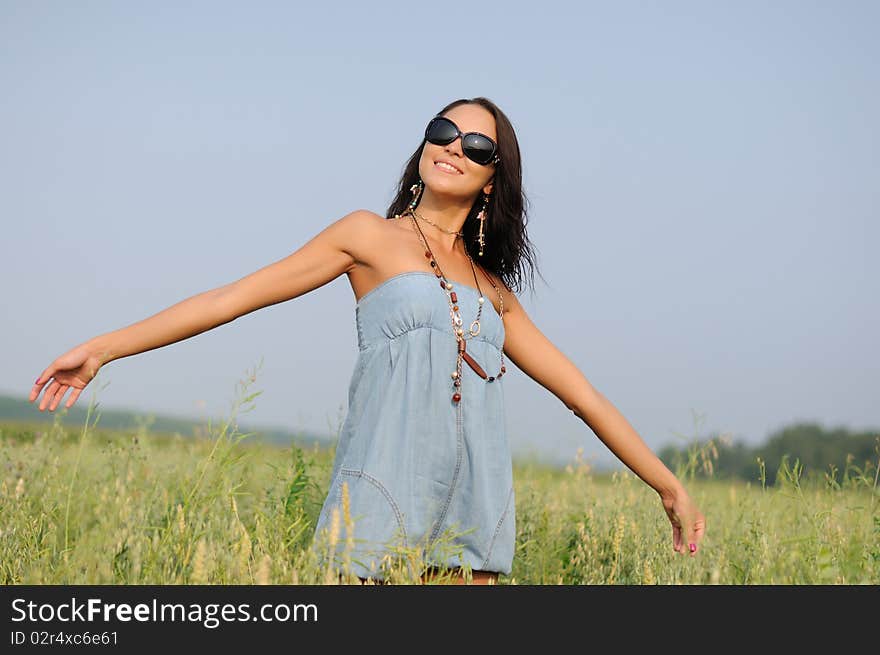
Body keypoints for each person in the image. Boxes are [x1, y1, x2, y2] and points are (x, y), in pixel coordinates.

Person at [28, 96, 706, 586]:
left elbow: (580, 394)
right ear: (424, 145)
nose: (454, 146)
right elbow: (228, 299)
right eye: (444, 130)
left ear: (493, 175)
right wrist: (105, 347)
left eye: (477, 145)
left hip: (473, 510)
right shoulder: (367, 237)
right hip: (381, 494)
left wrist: (666, 483)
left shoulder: (496, 292)